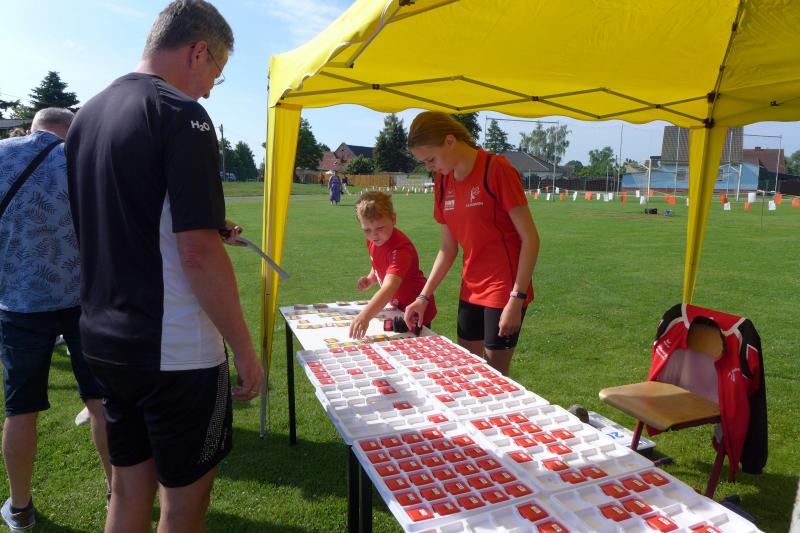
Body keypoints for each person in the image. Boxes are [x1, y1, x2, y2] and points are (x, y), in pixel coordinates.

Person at [65, 2, 262, 532]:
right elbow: (197, 253)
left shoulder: (88, 115)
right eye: (216, 72)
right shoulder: (181, 113)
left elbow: (127, 215)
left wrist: (205, 224)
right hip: (173, 349)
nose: (211, 90)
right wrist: (244, 350)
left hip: (105, 337)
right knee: (183, 505)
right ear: (198, 51)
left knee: (128, 490)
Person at [0, 108, 112, 530]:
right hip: (84, 301)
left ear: (34, 128)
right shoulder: (83, 158)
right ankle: (116, 493)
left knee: (20, 411)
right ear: (68, 130)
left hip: (19, 303)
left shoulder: (3, 154)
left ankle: (20, 507)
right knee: (100, 403)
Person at [403, 111, 540, 376]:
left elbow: (530, 239)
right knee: (467, 370)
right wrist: (423, 297)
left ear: (450, 141)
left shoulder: (496, 169)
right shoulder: (443, 180)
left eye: (431, 159)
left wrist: (516, 298)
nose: (429, 167)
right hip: (471, 287)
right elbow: (448, 249)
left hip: (504, 289)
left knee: (495, 377)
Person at [349, 192, 437, 339]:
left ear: (393, 219)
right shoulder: (373, 241)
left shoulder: (400, 249)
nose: (374, 235)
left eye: (380, 228)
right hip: (397, 307)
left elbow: (389, 288)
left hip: (415, 309)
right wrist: (370, 278)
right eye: (367, 230)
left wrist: (365, 316)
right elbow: (378, 263)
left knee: (414, 347)